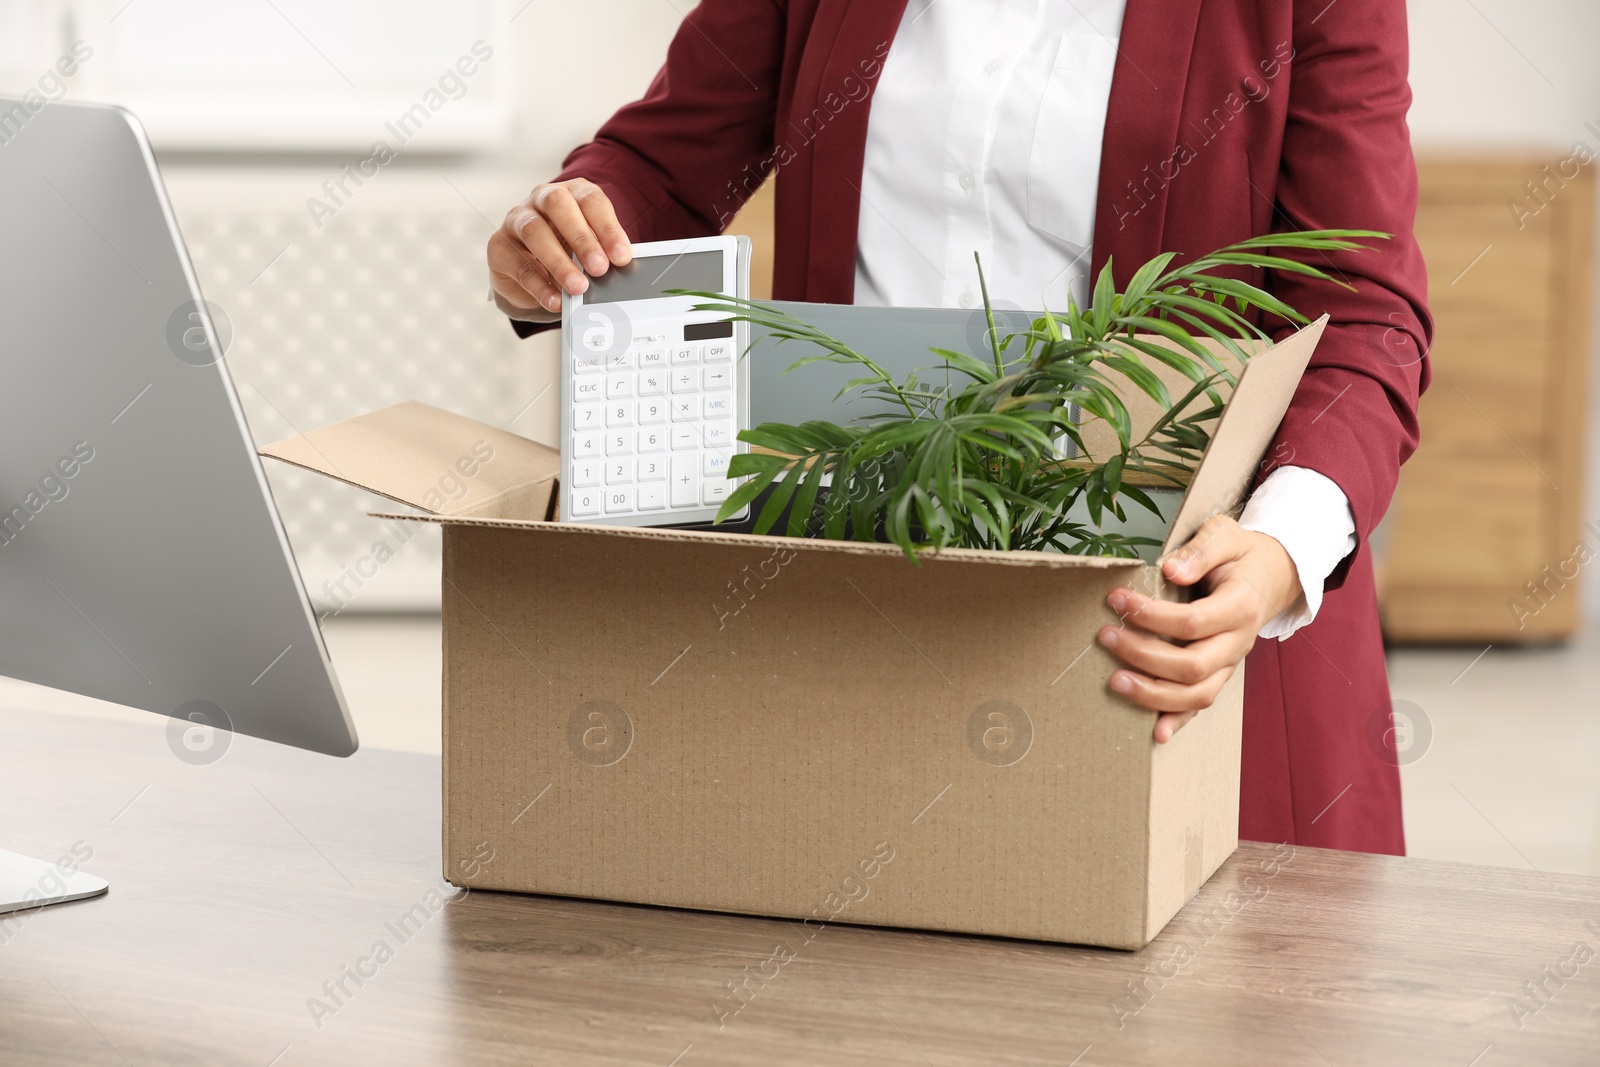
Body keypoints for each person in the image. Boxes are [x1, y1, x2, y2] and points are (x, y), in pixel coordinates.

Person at [485, 0, 1432, 855]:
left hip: (1183, 617)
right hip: (862, 584)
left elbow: (1366, 316)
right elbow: (662, 168)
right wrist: (570, 227)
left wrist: (1277, 551)